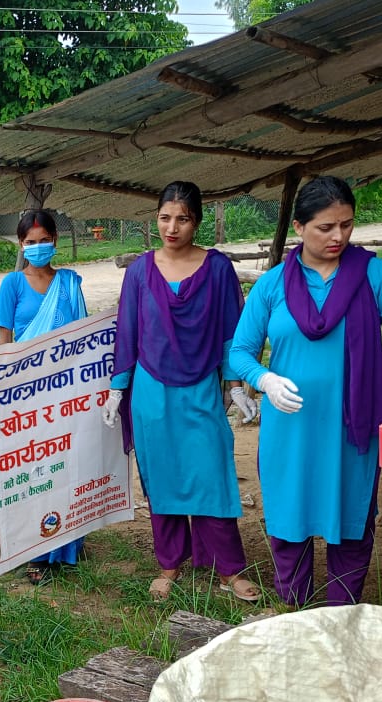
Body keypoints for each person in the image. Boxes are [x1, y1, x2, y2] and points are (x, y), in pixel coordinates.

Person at [230, 176, 382, 606]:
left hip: (352, 427)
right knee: (289, 519)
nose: (339, 236)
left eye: (347, 224)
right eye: (326, 227)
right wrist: (264, 379)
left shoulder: (371, 274)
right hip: (291, 427)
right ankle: (296, 611)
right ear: (301, 227)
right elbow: (240, 351)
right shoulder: (272, 285)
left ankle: (343, 615)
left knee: (353, 520)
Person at [104, 182, 258, 602]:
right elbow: (128, 333)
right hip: (151, 390)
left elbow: (232, 331)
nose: (172, 227)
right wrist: (119, 389)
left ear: (198, 221)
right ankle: (169, 563)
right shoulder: (139, 271)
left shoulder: (218, 269)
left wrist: (235, 384)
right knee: (163, 476)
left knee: (212, 474)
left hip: (202, 388)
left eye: (183, 218)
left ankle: (229, 569)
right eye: (165, 217)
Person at [0, 209, 88, 584]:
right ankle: (34, 548)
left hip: (66, 390)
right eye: (29, 242)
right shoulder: (12, 285)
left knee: (68, 463)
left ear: (56, 240)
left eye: (43, 240)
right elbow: (5, 344)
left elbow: (84, 337)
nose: (37, 247)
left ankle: (67, 543)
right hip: (27, 392)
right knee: (33, 470)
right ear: (21, 245)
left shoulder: (69, 283)